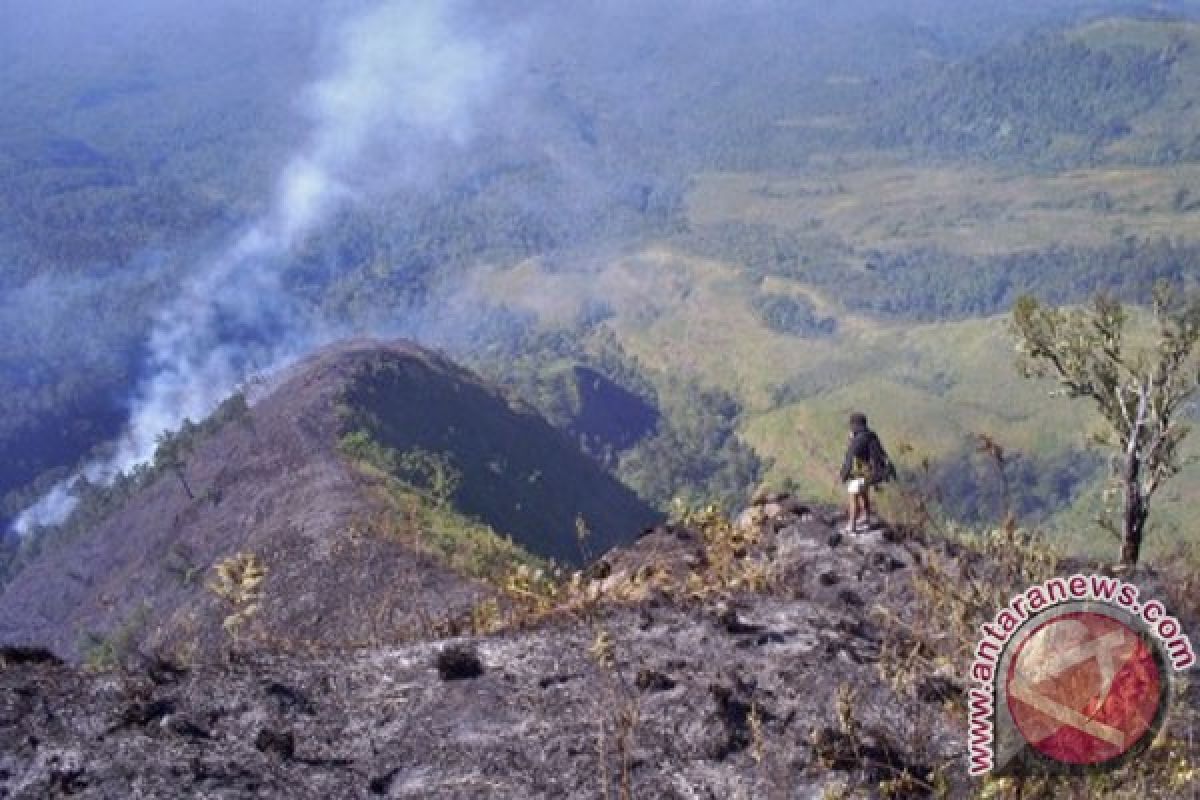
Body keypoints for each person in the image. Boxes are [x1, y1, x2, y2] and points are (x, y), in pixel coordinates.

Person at [837, 412, 894, 533]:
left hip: (858, 474)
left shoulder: (858, 440)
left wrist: (843, 475)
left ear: (854, 425)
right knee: (864, 495)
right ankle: (866, 519)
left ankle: (852, 527)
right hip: (870, 474)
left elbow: (850, 458)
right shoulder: (871, 435)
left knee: (853, 498)